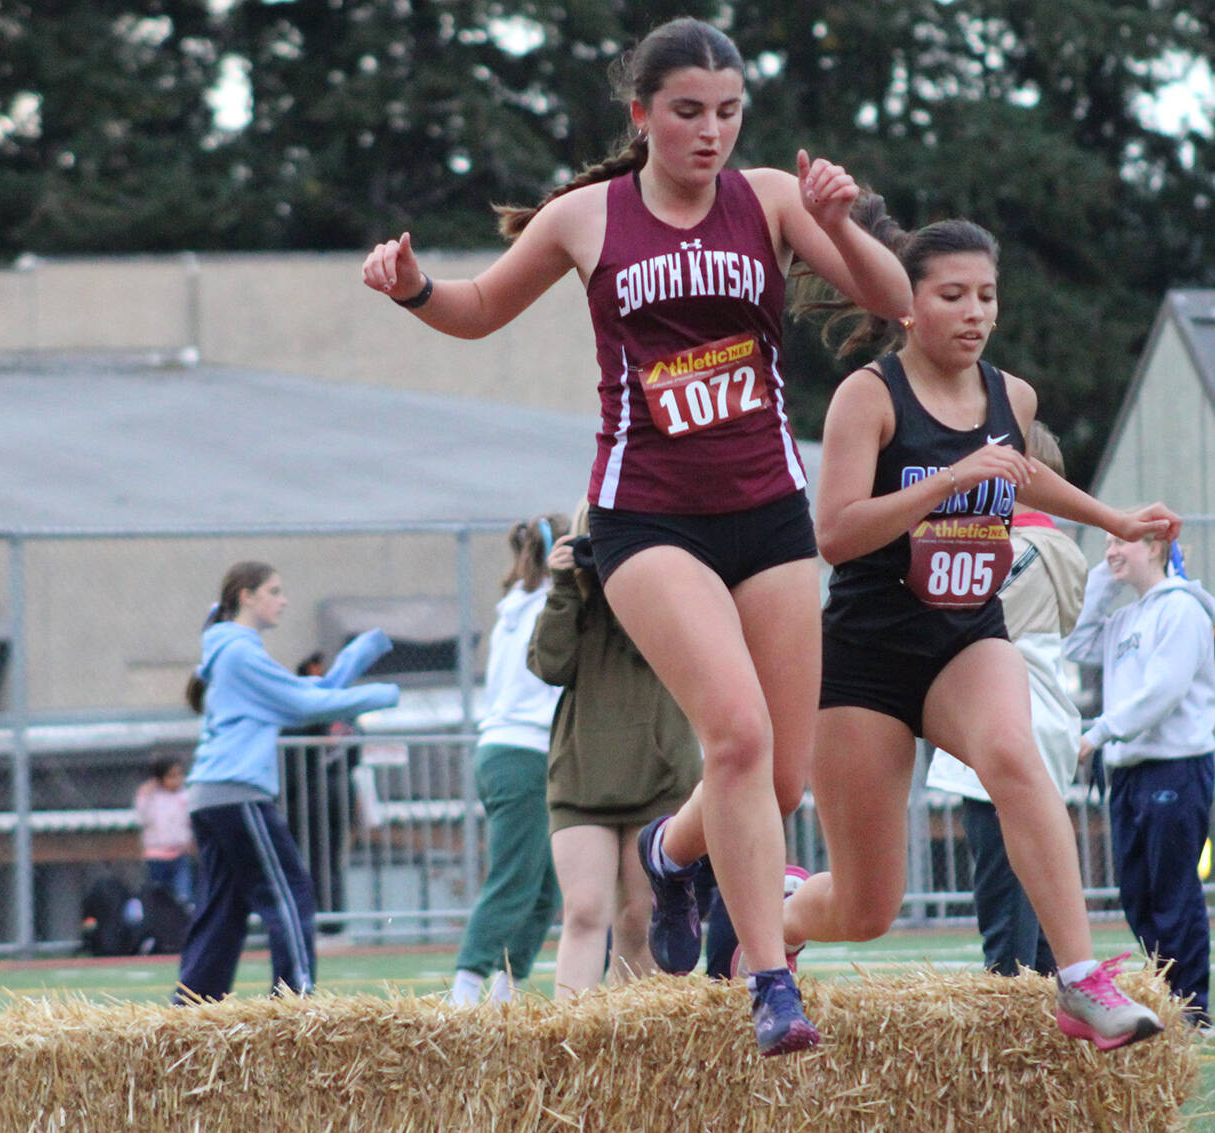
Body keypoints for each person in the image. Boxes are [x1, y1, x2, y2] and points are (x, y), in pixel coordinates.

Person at [363, 16, 911, 1053]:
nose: (710, 133)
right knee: (738, 737)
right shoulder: (586, 217)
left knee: (780, 776)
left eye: (728, 113)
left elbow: (892, 303)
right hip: (646, 515)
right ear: (643, 115)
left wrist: (840, 223)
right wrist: (414, 288)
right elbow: (480, 305)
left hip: (767, 513)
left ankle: (666, 856)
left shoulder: (773, 197)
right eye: (688, 113)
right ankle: (768, 980)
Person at [778, 206, 1177, 1050]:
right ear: (907, 306)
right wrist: (946, 479)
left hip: (967, 636)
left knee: (1014, 754)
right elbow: (835, 533)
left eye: (987, 296)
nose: (975, 313)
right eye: (953, 295)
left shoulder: (1010, 394)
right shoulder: (868, 394)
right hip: (866, 655)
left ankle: (1079, 979)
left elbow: (1023, 472)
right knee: (866, 905)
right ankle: (782, 919)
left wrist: (1115, 517)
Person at [174, 562, 399, 1002]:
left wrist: (360, 654)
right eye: (274, 591)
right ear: (246, 596)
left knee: (224, 908)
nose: (284, 599)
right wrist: (383, 695)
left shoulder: (232, 652)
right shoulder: (240, 654)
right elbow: (301, 705)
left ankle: (191, 1007)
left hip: (213, 794)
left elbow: (307, 695)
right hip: (237, 792)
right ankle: (295, 1002)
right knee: (289, 893)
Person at [925, 420, 1087, 977]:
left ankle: (1020, 1033)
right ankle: (1051, 1030)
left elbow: (951, 616)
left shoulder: (1022, 549)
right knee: (1035, 911)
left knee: (1009, 918)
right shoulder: (1053, 547)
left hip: (1008, 731)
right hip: (1030, 728)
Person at [527, 500, 702, 1000]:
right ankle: (570, 1042)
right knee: (584, 911)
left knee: (640, 916)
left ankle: (630, 1042)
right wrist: (565, 586)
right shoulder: (573, 600)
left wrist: (643, 569)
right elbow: (549, 665)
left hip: (660, 773)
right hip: (583, 777)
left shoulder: (673, 590)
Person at [1065, 533, 1215, 1030]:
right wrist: (1103, 582)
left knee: (1172, 890)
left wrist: (1101, 732)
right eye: (1106, 541)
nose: (1110, 551)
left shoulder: (1182, 611)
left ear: (1155, 546)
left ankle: (1192, 1008)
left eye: (1121, 542)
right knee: (1137, 892)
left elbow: (1164, 691)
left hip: (1175, 765)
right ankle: (1167, 994)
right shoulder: (1128, 617)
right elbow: (1077, 642)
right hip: (1128, 770)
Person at [448, 515, 569, 1005]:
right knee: (515, 879)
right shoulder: (548, 606)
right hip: (523, 752)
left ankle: (504, 988)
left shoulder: (515, 606)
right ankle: (465, 987)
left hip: (510, 750)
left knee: (544, 890)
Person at [281, 651, 362, 930]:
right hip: (331, 788)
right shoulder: (341, 704)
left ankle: (320, 921)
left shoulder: (303, 705)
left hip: (315, 791)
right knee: (322, 857)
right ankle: (327, 920)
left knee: (313, 857)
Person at [135, 759, 197, 907]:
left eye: (179, 775)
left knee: (183, 896)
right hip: (156, 856)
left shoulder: (185, 796)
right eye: (171, 776)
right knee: (159, 896)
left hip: (180, 854)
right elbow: (142, 817)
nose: (177, 780)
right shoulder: (152, 797)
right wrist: (145, 794)